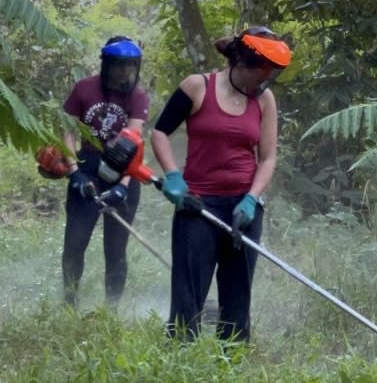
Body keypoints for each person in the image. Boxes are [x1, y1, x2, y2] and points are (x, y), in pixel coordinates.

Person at [151, 26, 292, 342]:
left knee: (237, 299)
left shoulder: (265, 100)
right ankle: (182, 361)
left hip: (243, 208)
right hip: (198, 205)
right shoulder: (197, 87)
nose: (266, 80)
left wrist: (251, 200)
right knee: (188, 298)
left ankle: (232, 363)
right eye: (263, 72)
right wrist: (174, 177)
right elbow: (159, 132)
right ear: (241, 62)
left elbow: (267, 158)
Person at [61, 36, 150, 309]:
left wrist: (123, 184)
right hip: (87, 166)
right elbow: (68, 131)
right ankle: (69, 302)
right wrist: (74, 172)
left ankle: (111, 309)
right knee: (75, 243)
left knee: (116, 248)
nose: (126, 71)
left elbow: (133, 141)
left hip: (122, 170)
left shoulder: (138, 97)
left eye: (131, 66)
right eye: (120, 65)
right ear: (107, 64)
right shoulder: (84, 89)